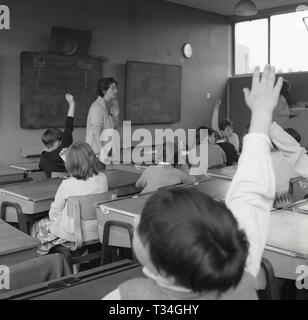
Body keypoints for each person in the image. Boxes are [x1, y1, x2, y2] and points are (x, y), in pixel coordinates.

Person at [103, 65, 283, 300]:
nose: (138, 220)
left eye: (145, 225)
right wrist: (261, 116)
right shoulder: (239, 279)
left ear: (156, 262)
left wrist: (261, 115)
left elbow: (250, 197)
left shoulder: (128, 297)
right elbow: (250, 196)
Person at [31, 142, 108, 255]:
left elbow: (54, 213)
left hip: (73, 235)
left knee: (35, 226)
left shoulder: (67, 184)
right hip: (98, 231)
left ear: (70, 163)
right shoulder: (103, 179)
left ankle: (46, 263)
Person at [39, 94, 75, 178]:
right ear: (58, 141)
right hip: (70, 181)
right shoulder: (65, 143)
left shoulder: (44, 158)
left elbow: (51, 175)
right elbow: (68, 125)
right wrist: (72, 104)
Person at [85, 78, 120, 162]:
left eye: (116, 88)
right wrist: (102, 153)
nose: (116, 91)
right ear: (104, 91)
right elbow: (95, 132)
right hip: (96, 154)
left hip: (105, 151)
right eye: (113, 88)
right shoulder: (97, 107)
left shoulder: (107, 106)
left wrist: (116, 112)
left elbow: (114, 128)